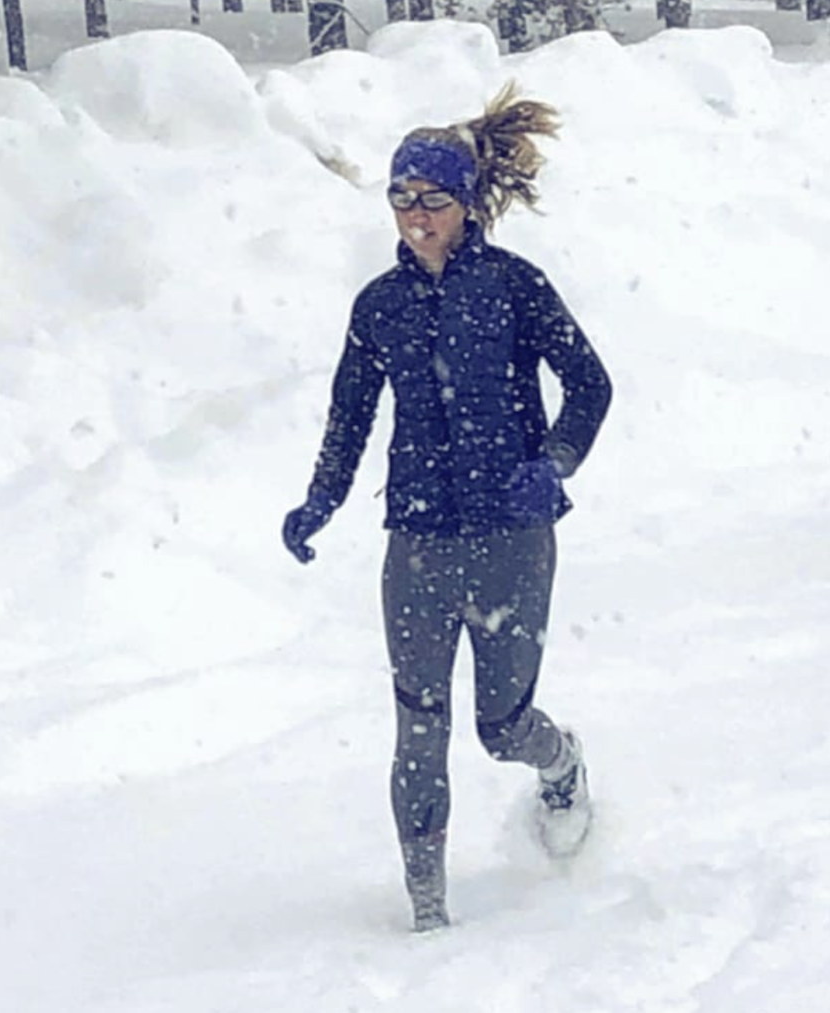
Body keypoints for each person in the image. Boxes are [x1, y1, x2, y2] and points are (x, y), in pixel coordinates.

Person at [281, 82, 612, 932]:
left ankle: (561, 760)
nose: (415, 215)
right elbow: (350, 414)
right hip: (418, 545)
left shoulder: (512, 287)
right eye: (401, 197)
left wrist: (555, 462)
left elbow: (589, 384)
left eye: (432, 199)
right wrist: (321, 497)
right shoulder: (379, 306)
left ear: (466, 204)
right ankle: (428, 911)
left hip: (512, 537)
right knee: (418, 726)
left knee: (499, 726)